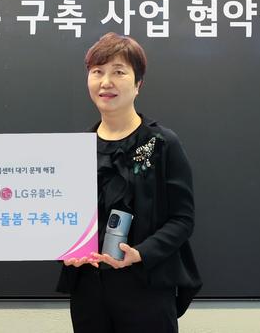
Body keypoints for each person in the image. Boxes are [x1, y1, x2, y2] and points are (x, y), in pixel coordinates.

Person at [58, 33, 202, 333]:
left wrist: (142, 252)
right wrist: (67, 249)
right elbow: (62, 217)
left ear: (138, 84)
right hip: (89, 290)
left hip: (146, 287)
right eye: (97, 71)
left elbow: (182, 219)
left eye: (118, 72)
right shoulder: (74, 149)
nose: (105, 82)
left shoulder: (162, 143)